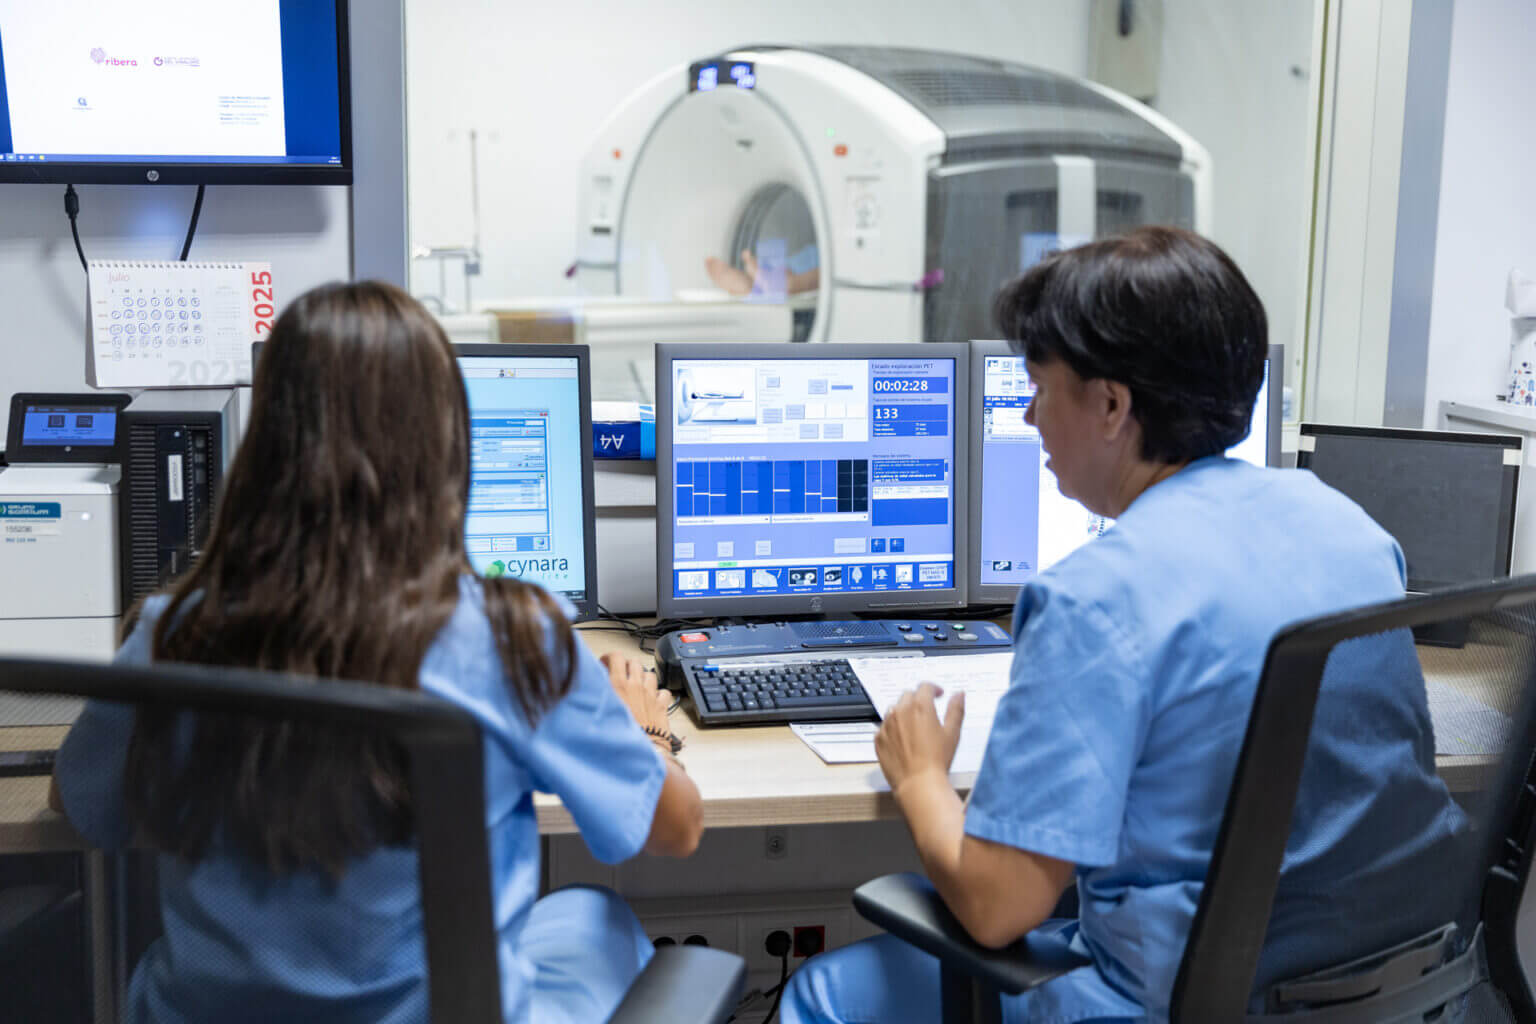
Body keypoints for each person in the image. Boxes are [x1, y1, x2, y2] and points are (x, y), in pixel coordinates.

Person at [781, 226, 1469, 1022]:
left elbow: (998, 908)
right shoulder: (1353, 530)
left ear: (1111, 405)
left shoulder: (1093, 599)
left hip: (1182, 1004)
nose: (1030, 414)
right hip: (1404, 993)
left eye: (1039, 386)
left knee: (825, 990)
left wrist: (921, 776)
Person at [50, 281, 704, 1024]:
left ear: (267, 444)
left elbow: (82, 807)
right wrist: (646, 731)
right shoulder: (510, 638)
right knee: (596, 919)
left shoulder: (176, 632)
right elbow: (675, 830)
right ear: (446, 444)